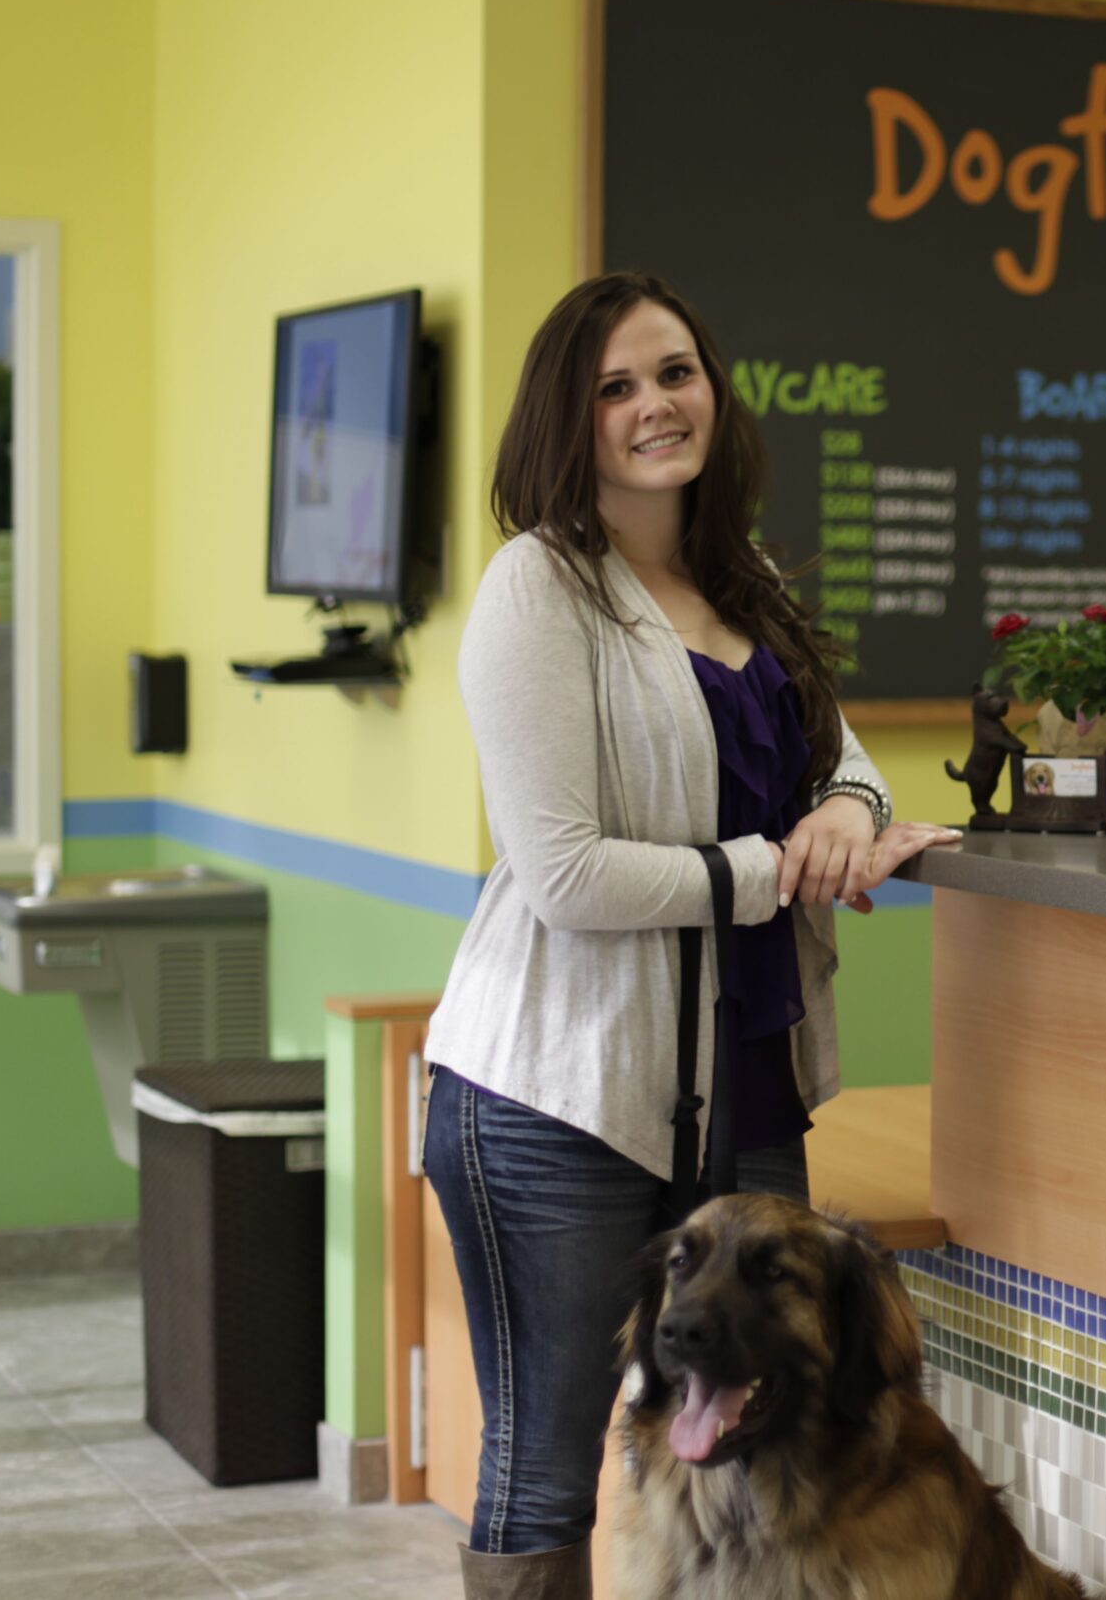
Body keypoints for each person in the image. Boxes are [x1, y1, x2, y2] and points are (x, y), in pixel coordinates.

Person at [422, 271, 960, 1597]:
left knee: (743, 1447)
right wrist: (778, 865)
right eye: (615, 386)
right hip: (555, 1094)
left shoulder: (746, 576)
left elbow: (855, 770)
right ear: (570, 419)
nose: (654, 404)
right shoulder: (537, 587)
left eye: (674, 371)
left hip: (745, 1083)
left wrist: (841, 805)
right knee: (550, 1461)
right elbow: (563, 872)